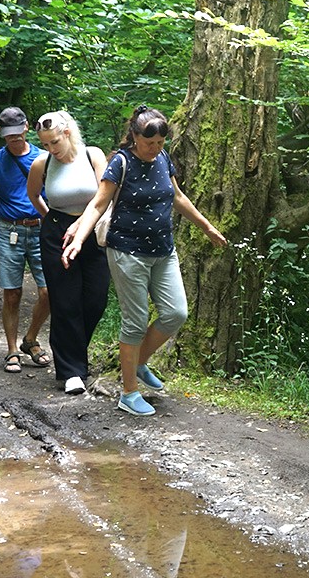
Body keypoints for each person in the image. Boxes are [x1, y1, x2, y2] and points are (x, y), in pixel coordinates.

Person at [61, 105, 227, 416]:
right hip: (127, 252)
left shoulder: (163, 159)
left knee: (176, 312)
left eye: (160, 144)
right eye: (149, 143)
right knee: (135, 322)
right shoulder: (121, 164)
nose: (154, 149)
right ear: (135, 137)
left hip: (163, 251)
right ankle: (128, 392)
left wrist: (206, 226)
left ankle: (137, 363)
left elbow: (177, 197)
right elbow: (98, 205)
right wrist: (79, 240)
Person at [26, 110, 111, 395]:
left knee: (96, 299)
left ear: (67, 133)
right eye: (45, 144)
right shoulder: (42, 163)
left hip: (92, 230)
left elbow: (106, 195)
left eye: (54, 142)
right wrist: (52, 218)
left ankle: (73, 352)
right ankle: (72, 371)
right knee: (65, 301)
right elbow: (33, 194)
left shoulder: (93, 156)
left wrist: (83, 223)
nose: (51, 149)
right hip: (57, 233)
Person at [0, 106, 52, 373]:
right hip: (9, 232)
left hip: (42, 230)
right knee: (12, 293)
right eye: (8, 134)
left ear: (26, 127)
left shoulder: (44, 158)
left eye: (17, 132)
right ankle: (12, 350)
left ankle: (30, 339)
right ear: (2, 133)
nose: (13, 138)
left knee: (49, 292)